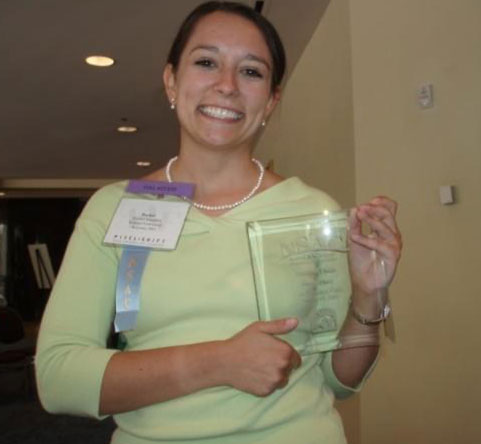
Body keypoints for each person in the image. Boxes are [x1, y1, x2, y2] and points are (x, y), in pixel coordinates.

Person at [35, 2, 402, 444]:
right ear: (172, 80)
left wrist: (368, 296)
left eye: (251, 72)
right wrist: (219, 361)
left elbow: (339, 380)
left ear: (271, 100)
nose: (227, 86)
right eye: (206, 62)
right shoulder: (113, 209)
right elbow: (58, 379)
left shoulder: (312, 210)